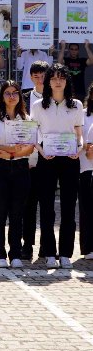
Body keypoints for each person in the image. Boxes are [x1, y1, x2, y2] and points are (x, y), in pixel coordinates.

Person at [31, 63, 84, 269]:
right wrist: (42, 151)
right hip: (48, 157)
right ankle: (49, 252)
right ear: (48, 82)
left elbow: (79, 134)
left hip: (70, 159)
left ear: (67, 81)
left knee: (69, 207)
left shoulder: (76, 105)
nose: (58, 81)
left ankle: (65, 254)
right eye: (54, 78)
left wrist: (78, 149)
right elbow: (33, 133)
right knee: (46, 207)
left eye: (62, 77)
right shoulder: (38, 106)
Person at [0, 81, 35, 268]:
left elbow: (29, 148)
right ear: (2, 96)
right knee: (0, 213)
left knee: (17, 213)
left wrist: (11, 152)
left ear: (20, 96)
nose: (11, 96)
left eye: (15, 93)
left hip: (21, 168)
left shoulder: (27, 119)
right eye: (7, 93)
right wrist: (8, 149)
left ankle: (15, 253)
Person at [20, 60, 50, 260]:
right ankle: (27, 245)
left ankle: (46, 246)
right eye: (36, 75)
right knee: (27, 206)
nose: (39, 79)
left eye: (43, 75)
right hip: (26, 157)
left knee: (47, 205)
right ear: (31, 77)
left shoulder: (56, 98)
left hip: (49, 157)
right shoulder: (23, 98)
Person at [79, 83, 93, 261]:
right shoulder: (83, 115)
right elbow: (80, 141)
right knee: (87, 209)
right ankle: (88, 247)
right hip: (86, 167)